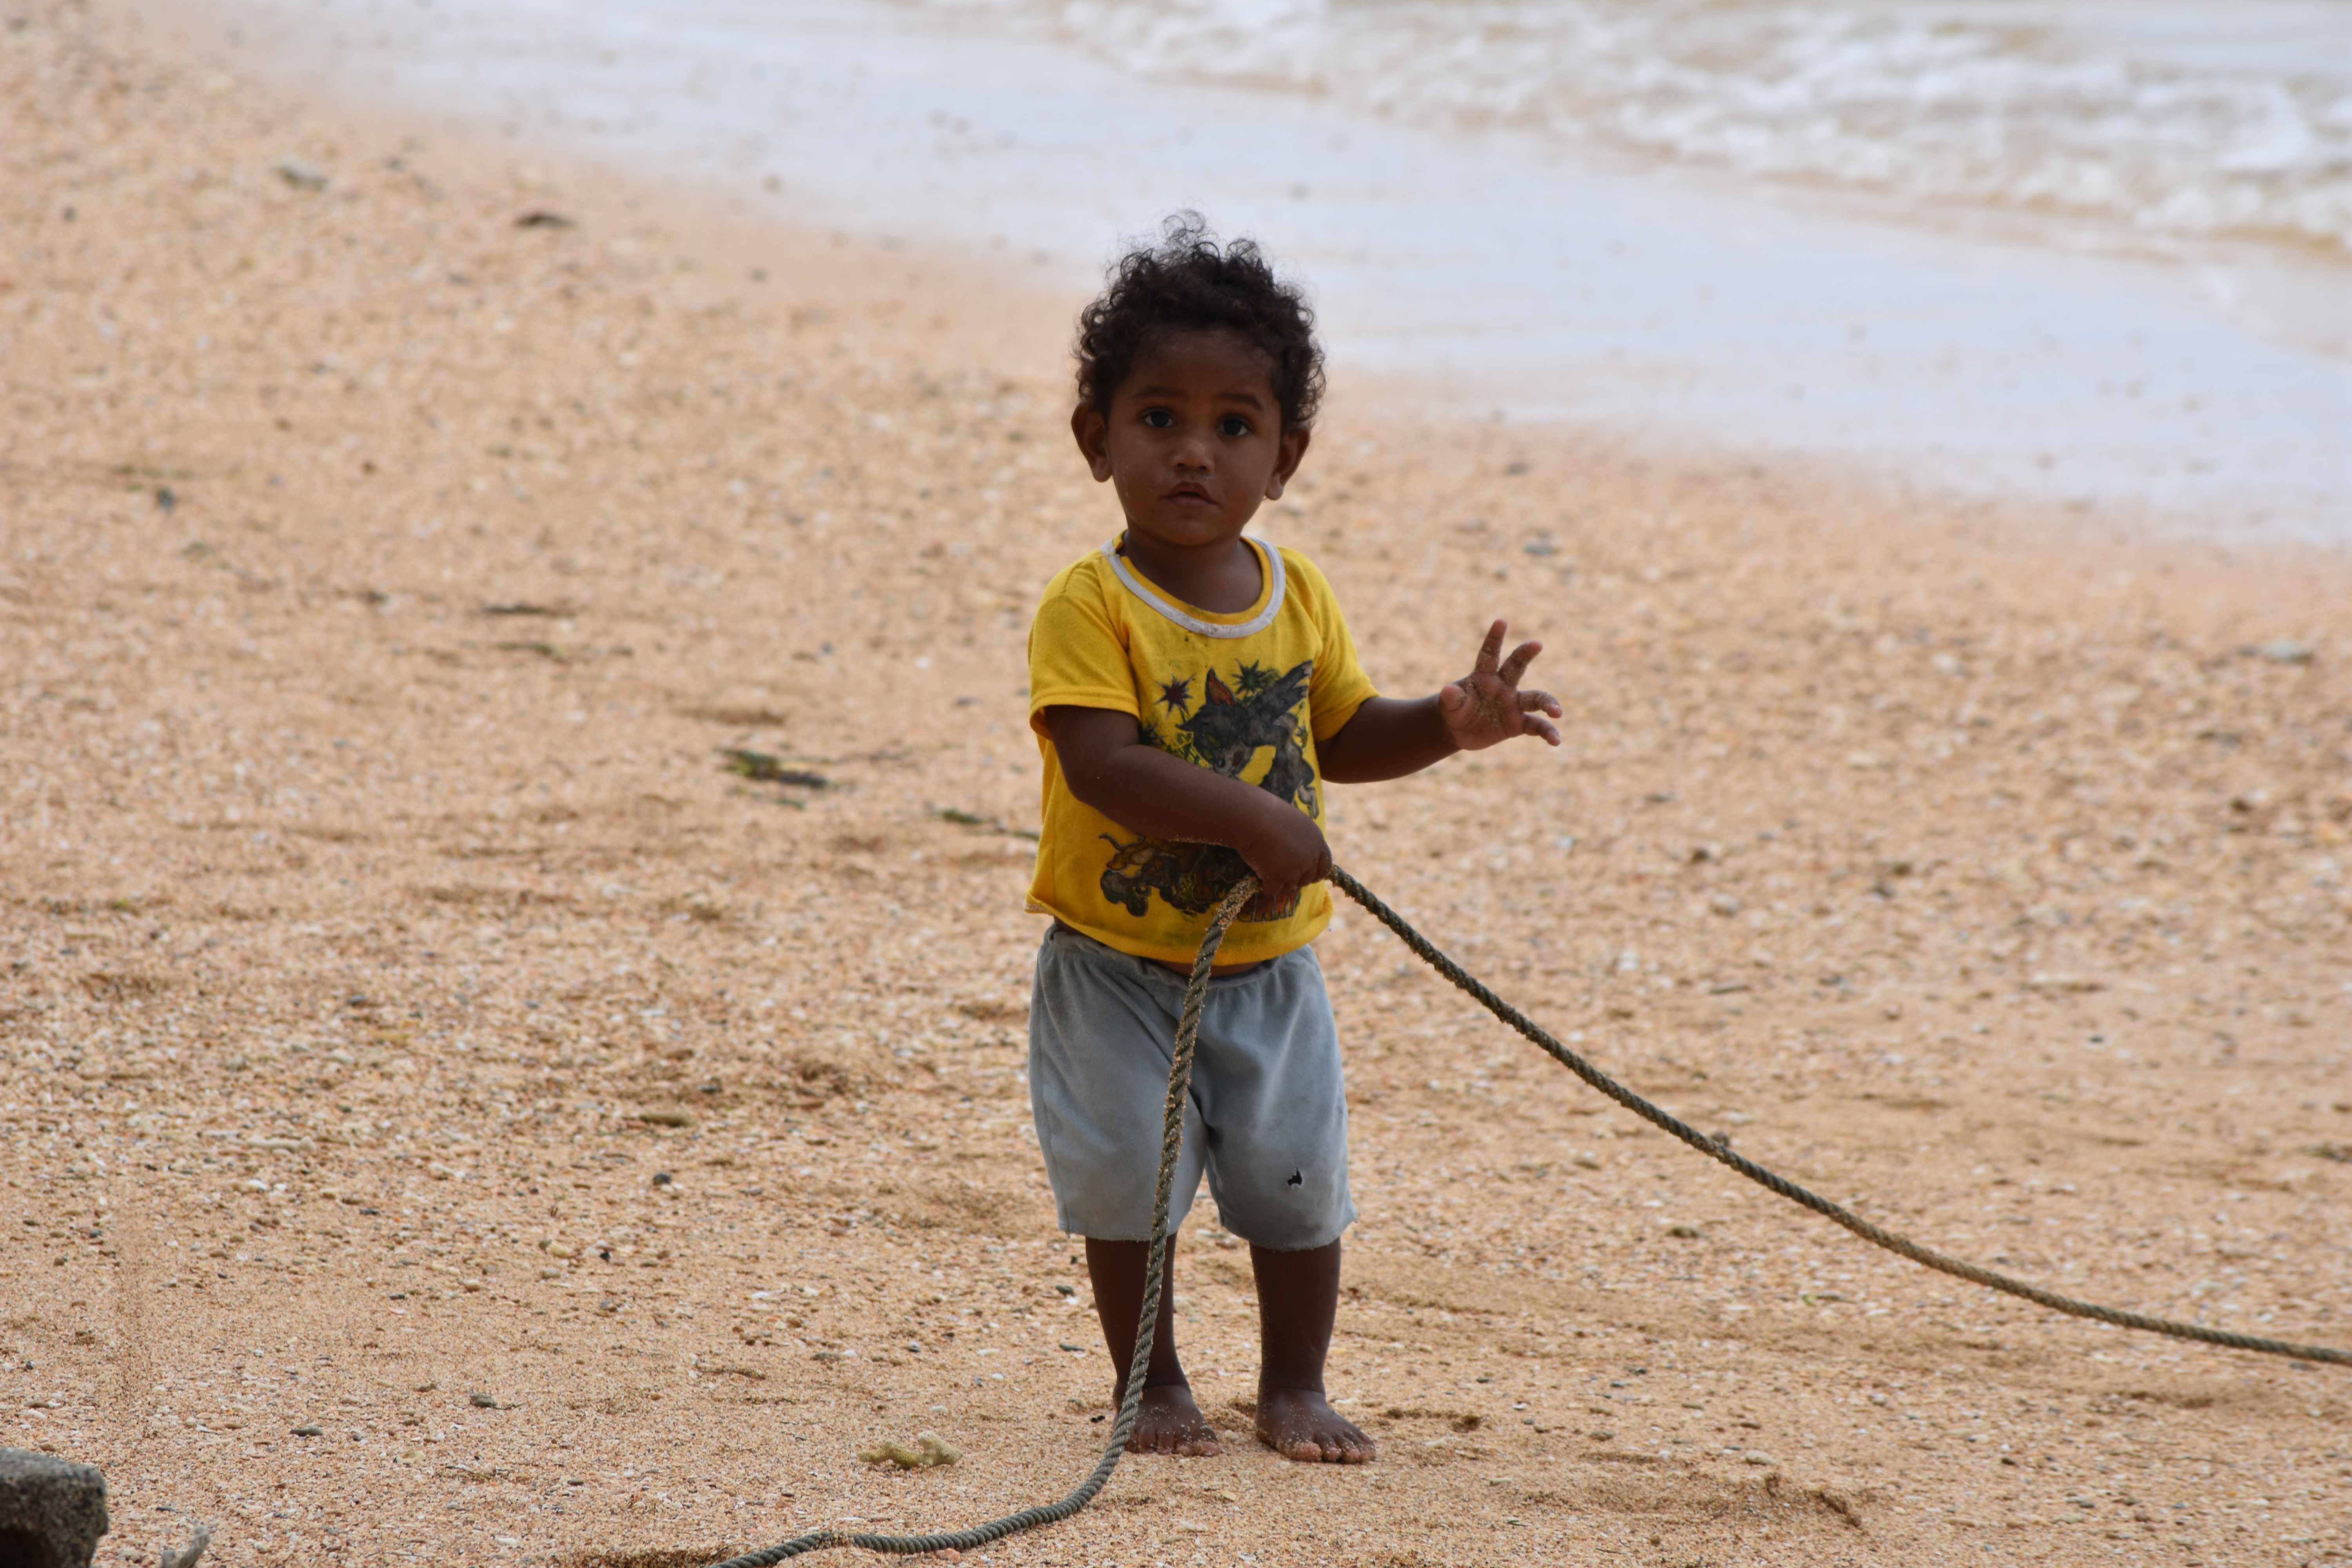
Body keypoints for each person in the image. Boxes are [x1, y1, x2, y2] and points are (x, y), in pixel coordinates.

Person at [1024, 214, 1561, 1464]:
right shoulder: (1088, 604)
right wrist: (1261, 817)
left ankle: (1294, 1386)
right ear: (1096, 439)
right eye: (1159, 418)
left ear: (1286, 456)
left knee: (1296, 1180)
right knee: (1128, 1182)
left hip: (1269, 970)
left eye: (1234, 426)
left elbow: (1341, 735)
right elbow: (1104, 767)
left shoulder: (1298, 595)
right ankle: (1154, 1385)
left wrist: (1444, 724)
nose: (1194, 451)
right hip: (1113, 964)